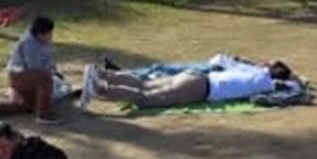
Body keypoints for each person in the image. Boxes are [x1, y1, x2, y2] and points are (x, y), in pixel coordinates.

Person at [82, 57, 299, 110]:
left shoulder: (250, 69)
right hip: (201, 89)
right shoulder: (266, 84)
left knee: (144, 84)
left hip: (197, 76)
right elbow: (294, 90)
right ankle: (100, 89)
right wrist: (293, 81)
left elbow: (221, 59)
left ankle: (102, 75)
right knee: (145, 98)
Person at [0, 15, 61, 123]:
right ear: (40, 33)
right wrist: (50, 72)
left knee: (31, 105)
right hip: (19, 75)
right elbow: (34, 67)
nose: (51, 36)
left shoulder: (43, 41)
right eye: (49, 33)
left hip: (27, 76)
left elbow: (47, 59)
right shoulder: (29, 44)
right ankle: (43, 115)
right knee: (45, 77)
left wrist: (54, 70)